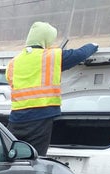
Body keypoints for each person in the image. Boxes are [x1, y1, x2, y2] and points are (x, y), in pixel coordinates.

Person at [6, 22, 98, 155]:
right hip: (40, 118)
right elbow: (79, 54)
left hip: (16, 119)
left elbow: (11, 81)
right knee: (35, 159)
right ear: (46, 39)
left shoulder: (13, 62)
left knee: (15, 156)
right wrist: (93, 45)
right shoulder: (51, 56)